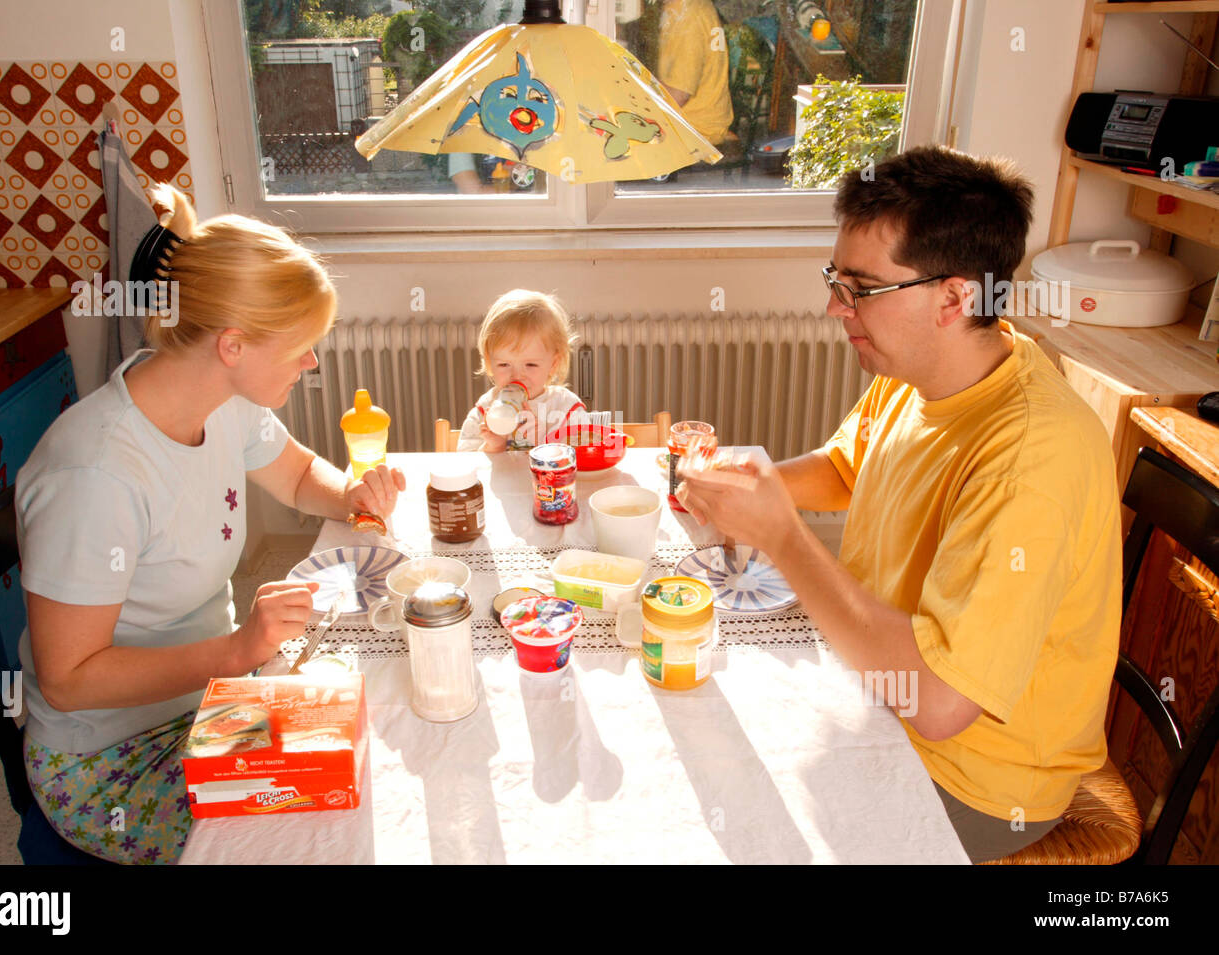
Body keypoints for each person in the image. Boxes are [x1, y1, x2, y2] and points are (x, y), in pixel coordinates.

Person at [676, 146, 1122, 863]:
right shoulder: (919, 369)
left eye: (860, 288)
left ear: (953, 299)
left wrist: (784, 537)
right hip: (877, 687)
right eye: (834, 279)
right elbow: (850, 466)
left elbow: (943, 704)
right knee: (698, 741)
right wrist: (749, 485)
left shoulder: (1031, 456)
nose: (833, 306)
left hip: (975, 778)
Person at [15, 183, 405, 864]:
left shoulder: (222, 397)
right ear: (232, 344)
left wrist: (352, 494)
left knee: (377, 746)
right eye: (302, 347)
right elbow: (68, 679)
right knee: (312, 836)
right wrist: (235, 650)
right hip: (112, 755)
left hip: (211, 701)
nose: (312, 364)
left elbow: (293, 473)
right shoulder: (97, 474)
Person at [456, 289, 586, 452]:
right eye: (504, 365)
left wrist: (543, 443)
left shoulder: (565, 407)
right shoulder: (485, 410)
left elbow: (583, 460)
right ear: (490, 363)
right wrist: (492, 446)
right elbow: (465, 465)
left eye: (530, 365)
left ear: (553, 364)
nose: (517, 376)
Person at [655, 0, 734, 146]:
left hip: (695, 129)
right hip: (687, 120)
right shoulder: (680, 7)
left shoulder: (691, 16)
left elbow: (678, 96)